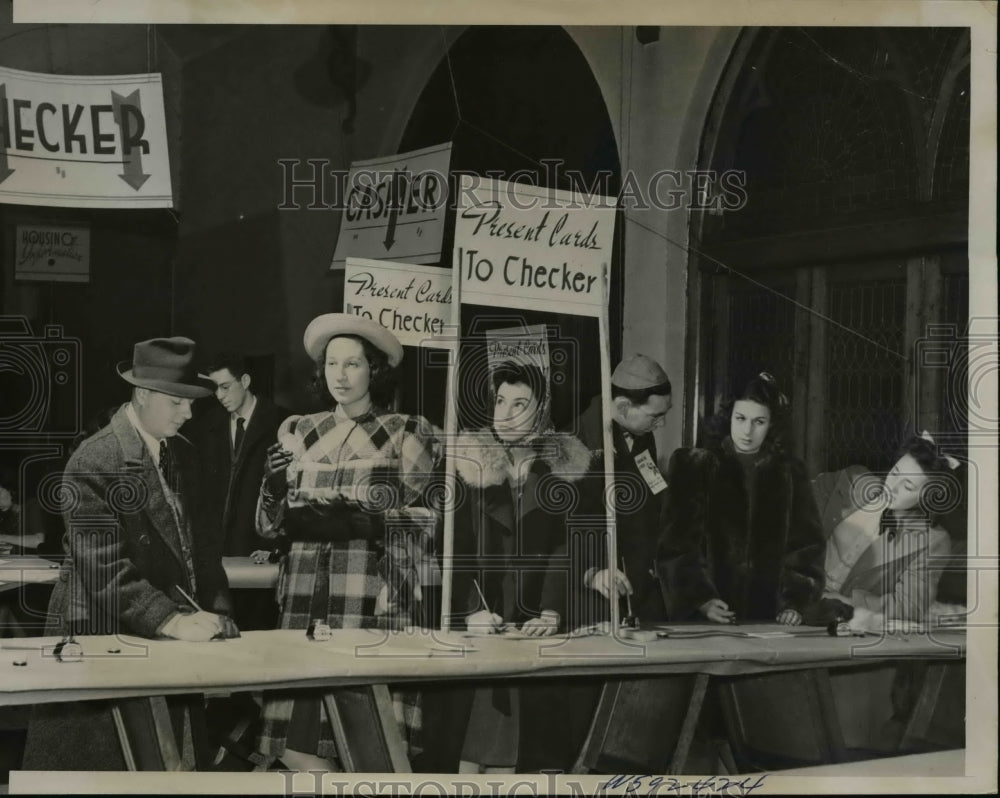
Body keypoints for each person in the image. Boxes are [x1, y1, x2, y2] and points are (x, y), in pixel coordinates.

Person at [22, 336, 237, 770]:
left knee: (168, 767)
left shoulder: (184, 455)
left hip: (169, 642)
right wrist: (173, 620)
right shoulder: (94, 460)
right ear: (142, 395)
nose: (188, 413)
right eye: (177, 402)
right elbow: (105, 568)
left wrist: (219, 613)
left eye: (191, 402)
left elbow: (204, 552)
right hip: (100, 636)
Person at [254, 314, 441, 772]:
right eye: (332, 364)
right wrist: (274, 485)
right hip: (304, 595)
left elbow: (427, 520)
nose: (340, 374)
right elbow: (267, 527)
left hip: (369, 595)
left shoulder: (407, 430)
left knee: (368, 742)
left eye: (352, 364)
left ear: (373, 370)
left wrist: (366, 519)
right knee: (296, 742)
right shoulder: (301, 431)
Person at [430, 358, 590, 774]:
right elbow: (450, 551)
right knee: (468, 754)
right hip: (482, 626)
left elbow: (563, 547)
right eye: (500, 401)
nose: (506, 412)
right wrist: (471, 610)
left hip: (531, 629)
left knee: (519, 757)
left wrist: (553, 608)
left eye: (520, 403)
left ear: (541, 411)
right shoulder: (466, 467)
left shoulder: (560, 471)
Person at [657, 371, 825, 625]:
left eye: (759, 422)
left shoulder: (790, 473)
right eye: (740, 418)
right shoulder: (694, 465)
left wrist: (794, 603)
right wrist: (701, 600)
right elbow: (676, 547)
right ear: (728, 417)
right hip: (708, 619)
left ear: (771, 425)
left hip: (769, 620)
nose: (747, 430)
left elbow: (806, 547)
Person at [823, 432, 957, 631]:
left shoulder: (932, 540)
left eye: (908, 486)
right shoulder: (851, 480)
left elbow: (909, 607)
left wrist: (845, 600)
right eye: (895, 473)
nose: (892, 487)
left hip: (834, 620)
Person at [576, 354, 673, 625]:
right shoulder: (574, 443)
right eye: (656, 416)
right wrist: (591, 572)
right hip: (591, 598)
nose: (661, 424)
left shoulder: (642, 436)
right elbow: (557, 534)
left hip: (638, 592)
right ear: (622, 406)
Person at [195, 352, 290, 630]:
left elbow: (289, 493)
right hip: (218, 556)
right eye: (214, 389)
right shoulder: (205, 426)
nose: (220, 396)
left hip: (259, 552)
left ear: (245, 380)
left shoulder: (282, 423)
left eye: (225, 387)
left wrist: (276, 548)